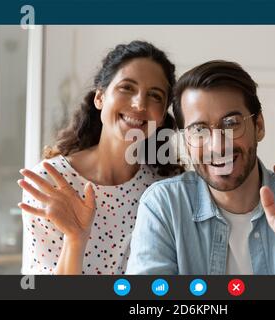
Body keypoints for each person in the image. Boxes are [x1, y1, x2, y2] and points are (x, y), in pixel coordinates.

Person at [126, 60, 275, 275]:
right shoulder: (164, 205)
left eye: (231, 123)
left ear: (258, 125)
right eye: (198, 130)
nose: (218, 146)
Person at [18, 41, 181, 275]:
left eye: (154, 96)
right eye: (127, 88)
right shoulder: (51, 183)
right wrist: (76, 240)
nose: (139, 104)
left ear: (163, 115)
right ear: (100, 98)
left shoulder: (166, 188)